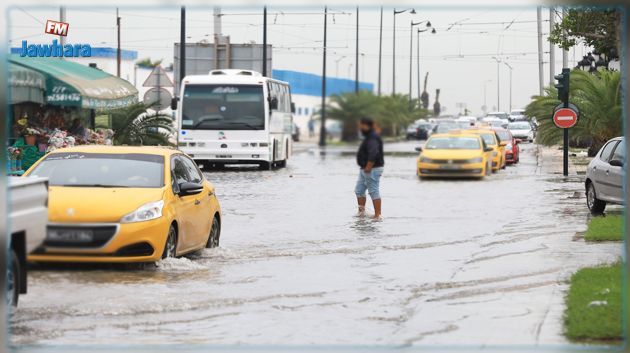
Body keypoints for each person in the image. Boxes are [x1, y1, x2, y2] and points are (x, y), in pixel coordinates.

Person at [355, 117, 384, 219]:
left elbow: (374, 152)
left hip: (372, 169)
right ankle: (361, 213)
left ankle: (377, 215)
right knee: (359, 190)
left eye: (361, 126)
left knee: (373, 190)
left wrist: (369, 166)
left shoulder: (372, 137)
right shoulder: (369, 137)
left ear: (367, 126)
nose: (359, 128)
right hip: (365, 169)